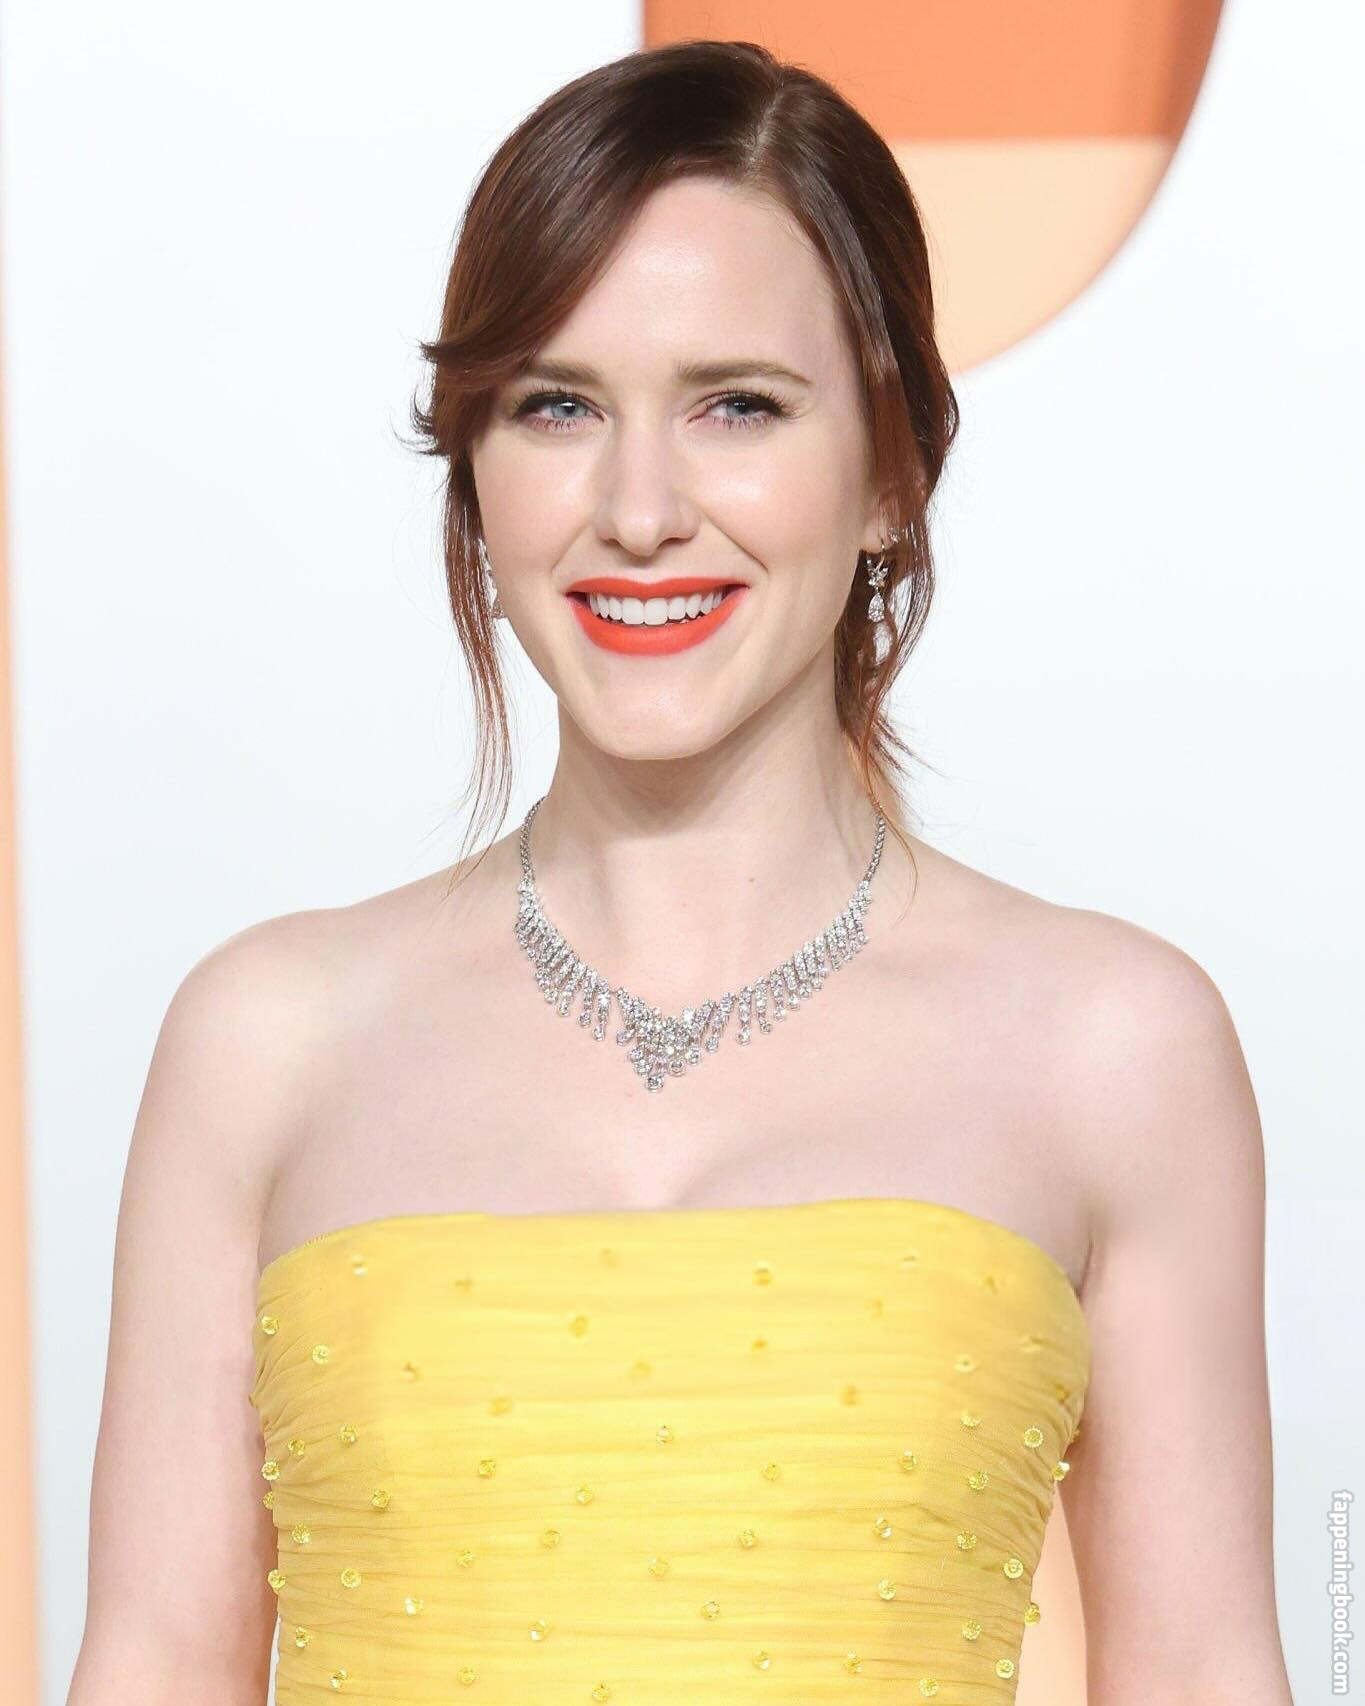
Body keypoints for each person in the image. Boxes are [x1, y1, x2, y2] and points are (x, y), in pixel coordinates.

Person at [67, 39, 1294, 1706]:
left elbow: (1204, 1667)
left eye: (738, 406)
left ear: (890, 469)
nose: (638, 509)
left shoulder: (1115, 1044)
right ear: (475, 471)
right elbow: (150, 1663)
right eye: (556, 406)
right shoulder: (265, 1038)